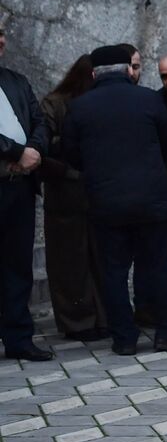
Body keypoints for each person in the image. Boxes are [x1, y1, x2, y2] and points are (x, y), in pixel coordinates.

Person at [63, 45, 167, 355]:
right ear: (126, 71)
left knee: (114, 273)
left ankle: (124, 338)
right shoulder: (149, 99)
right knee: (159, 266)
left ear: (95, 74)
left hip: (106, 204)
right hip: (151, 200)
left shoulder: (79, 107)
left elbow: (70, 155)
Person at [37, 55, 106, 341]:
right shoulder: (54, 104)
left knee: (99, 260)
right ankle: (77, 321)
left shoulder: (97, 102)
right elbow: (42, 147)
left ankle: (102, 317)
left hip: (93, 191)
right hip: (65, 192)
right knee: (69, 262)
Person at [0, 21, 54, 361]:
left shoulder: (16, 81)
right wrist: (15, 152)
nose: (2, 40)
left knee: (17, 265)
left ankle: (19, 338)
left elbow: (40, 121)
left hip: (17, 189)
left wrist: (33, 150)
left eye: (1, 34)